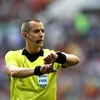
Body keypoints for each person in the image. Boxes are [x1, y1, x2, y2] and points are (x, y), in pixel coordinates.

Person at [5, 18, 80, 100]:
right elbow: (13, 72)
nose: (41, 34)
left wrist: (58, 57)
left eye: (42, 31)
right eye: (36, 31)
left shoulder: (50, 56)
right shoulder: (13, 55)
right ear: (25, 35)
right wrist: (39, 70)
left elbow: (75, 60)